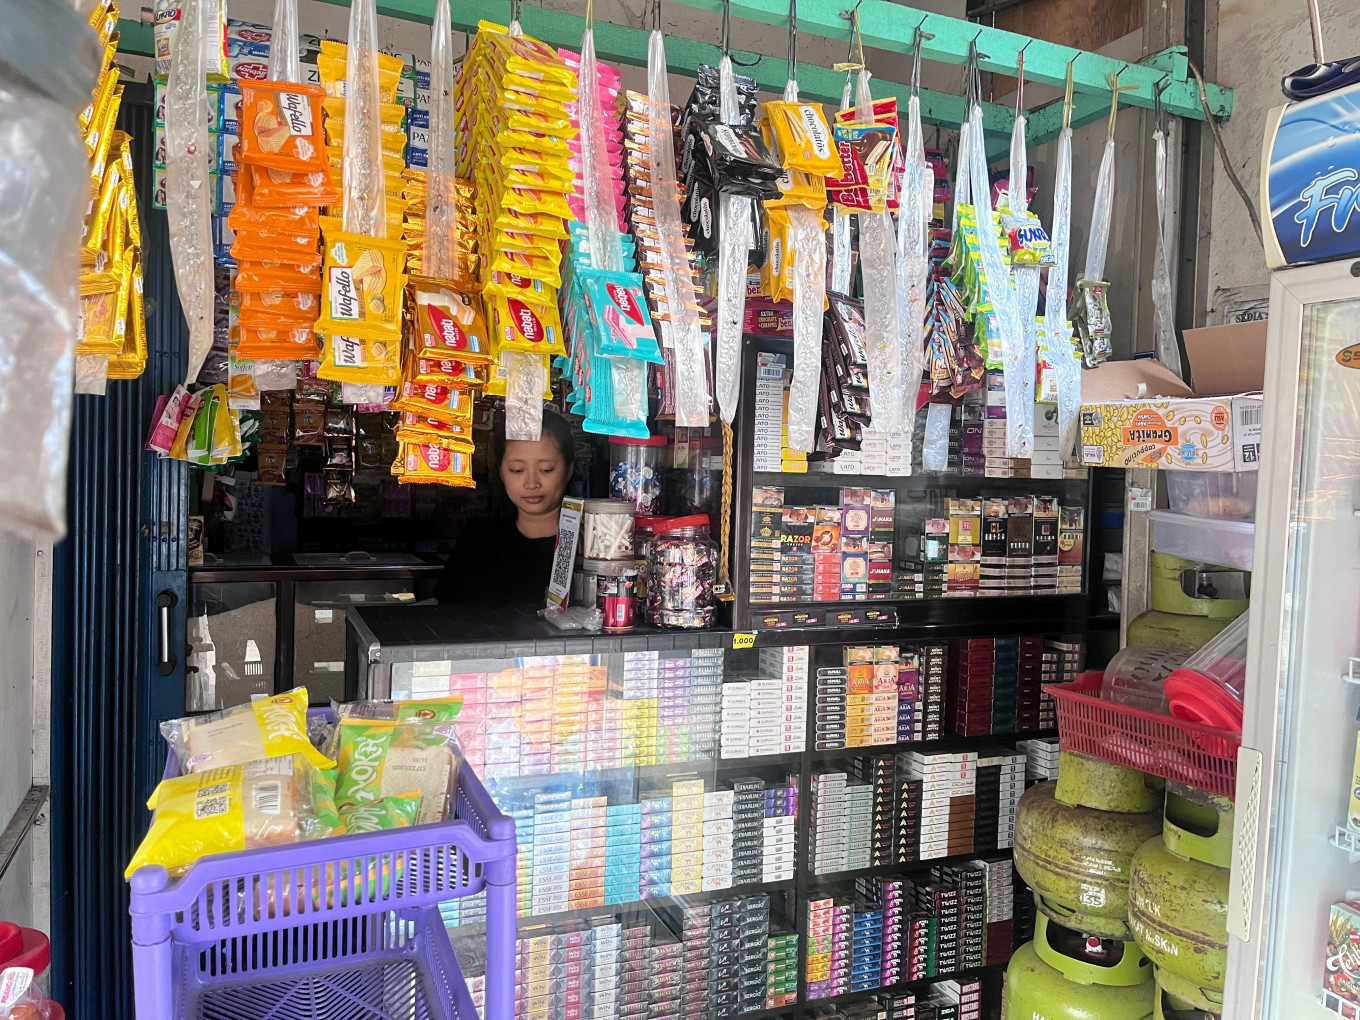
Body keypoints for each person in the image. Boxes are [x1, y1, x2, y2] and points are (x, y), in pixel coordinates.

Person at [434, 411, 576, 605]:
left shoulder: (590, 548)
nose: (531, 483)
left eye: (546, 469)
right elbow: (444, 608)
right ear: (501, 472)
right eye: (517, 470)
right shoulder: (478, 541)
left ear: (568, 470)